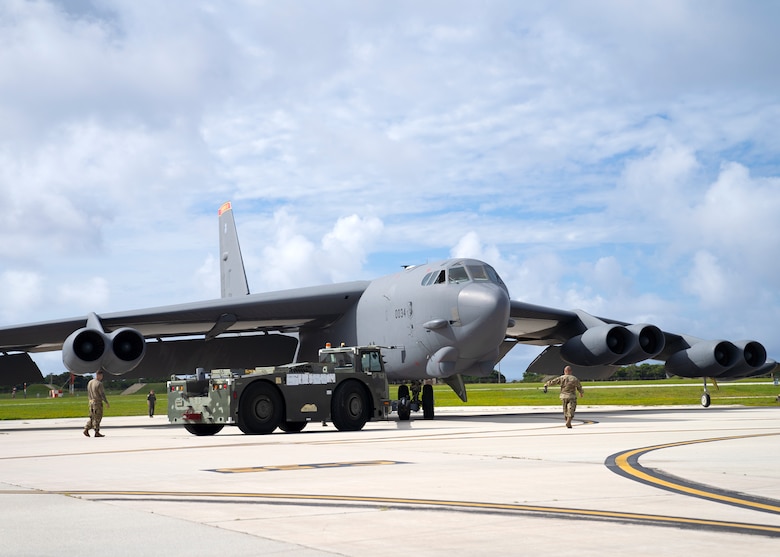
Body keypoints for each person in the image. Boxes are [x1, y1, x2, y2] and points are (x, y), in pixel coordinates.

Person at [84, 370, 110, 437]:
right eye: (101, 376)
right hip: (97, 402)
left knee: (92, 417)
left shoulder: (90, 382)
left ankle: (86, 428)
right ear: (99, 375)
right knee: (98, 417)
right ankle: (96, 431)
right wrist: (106, 402)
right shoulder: (99, 383)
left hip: (90, 402)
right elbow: (102, 394)